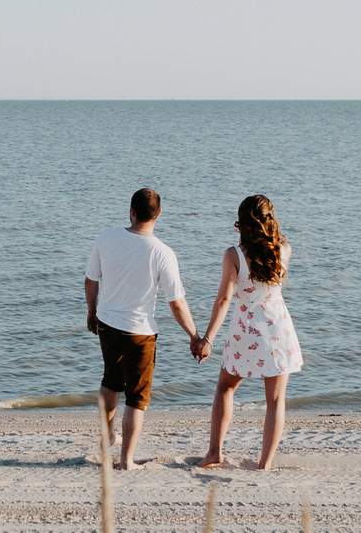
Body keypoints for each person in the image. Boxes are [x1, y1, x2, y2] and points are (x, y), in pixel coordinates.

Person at [83, 186, 204, 471]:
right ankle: (126, 460)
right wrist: (195, 336)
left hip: (107, 323)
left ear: (132, 211)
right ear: (159, 214)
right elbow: (176, 303)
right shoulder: (163, 253)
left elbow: (90, 280)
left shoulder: (107, 237)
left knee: (110, 381)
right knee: (137, 398)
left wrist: (91, 312)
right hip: (139, 331)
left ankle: (108, 438)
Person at [196, 194, 304, 471]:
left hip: (245, 331)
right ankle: (265, 463)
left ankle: (214, 452)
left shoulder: (234, 254)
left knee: (225, 388)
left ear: (241, 222)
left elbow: (223, 300)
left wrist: (207, 338)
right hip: (278, 329)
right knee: (276, 400)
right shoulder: (284, 249)